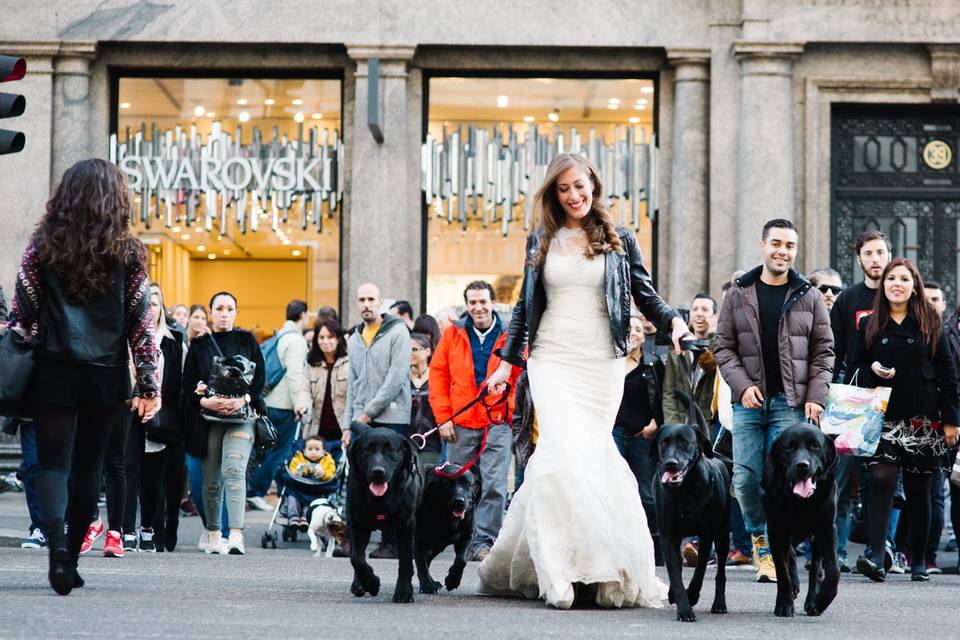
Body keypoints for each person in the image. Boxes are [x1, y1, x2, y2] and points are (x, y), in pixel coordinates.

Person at [479, 152, 691, 610]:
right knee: (558, 456)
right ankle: (559, 572)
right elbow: (523, 307)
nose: (574, 195)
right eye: (564, 188)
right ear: (553, 194)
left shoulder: (620, 240)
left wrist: (674, 322)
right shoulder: (541, 238)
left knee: (590, 457)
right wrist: (504, 364)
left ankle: (597, 566)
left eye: (581, 185)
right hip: (552, 358)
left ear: (594, 185)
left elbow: (645, 293)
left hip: (600, 362)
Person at [7, 158, 159, 594]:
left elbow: (23, 312)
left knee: (53, 464)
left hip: (54, 368)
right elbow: (140, 322)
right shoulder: (129, 251)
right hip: (106, 374)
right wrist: (148, 382)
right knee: (89, 468)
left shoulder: (42, 246)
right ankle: (70, 558)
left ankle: (55, 542)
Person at [714, 218, 834, 583]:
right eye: (777, 244)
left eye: (790, 246)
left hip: (790, 403)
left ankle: (781, 548)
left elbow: (824, 350)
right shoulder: (739, 293)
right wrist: (742, 385)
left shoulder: (808, 295)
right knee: (746, 479)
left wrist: (816, 395)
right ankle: (760, 539)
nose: (783, 251)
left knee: (783, 478)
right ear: (763, 246)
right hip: (748, 403)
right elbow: (723, 346)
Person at [846, 259, 959, 581]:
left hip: (923, 419)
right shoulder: (869, 323)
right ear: (883, 286)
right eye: (891, 278)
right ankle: (878, 556)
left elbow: (947, 372)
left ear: (914, 285)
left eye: (904, 278)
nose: (897, 283)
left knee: (919, 489)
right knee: (880, 478)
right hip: (883, 416)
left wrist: (952, 420)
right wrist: (873, 371)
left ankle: (919, 561)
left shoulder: (929, 322)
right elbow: (854, 366)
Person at [430, 281, 519, 562]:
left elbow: (519, 376)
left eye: (483, 302)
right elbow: (438, 375)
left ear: (492, 302)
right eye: (473, 302)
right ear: (466, 305)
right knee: (455, 484)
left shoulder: (509, 336)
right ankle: (457, 538)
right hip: (460, 423)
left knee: (494, 486)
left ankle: (484, 542)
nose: (478, 308)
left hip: (497, 422)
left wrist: (509, 410)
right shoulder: (452, 334)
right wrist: (443, 418)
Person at [182, 291, 265, 555]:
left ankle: (236, 536)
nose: (225, 313)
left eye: (230, 308)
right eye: (219, 308)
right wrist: (206, 402)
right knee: (211, 479)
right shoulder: (200, 345)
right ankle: (214, 533)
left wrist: (244, 400)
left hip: (241, 418)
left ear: (236, 313)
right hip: (210, 420)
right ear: (211, 311)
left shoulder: (247, 340)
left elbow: (261, 380)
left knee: (234, 471)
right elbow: (187, 386)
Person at [829, 231, 891, 573]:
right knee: (839, 478)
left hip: (890, 401)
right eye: (869, 253)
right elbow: (835, 351)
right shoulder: (848, 299)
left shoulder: (900, 294)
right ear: (859, 259)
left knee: (881, 480)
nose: (876, 259)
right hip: (851, 399)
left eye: (881, 252)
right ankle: (834, 550)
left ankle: (880, 551)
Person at [344, 282, 412, 558]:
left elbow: (395, 378)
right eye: (361, 299)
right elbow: (352, 384)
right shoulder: (354, 338)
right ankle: (354, 537)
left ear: (381, 302)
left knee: (393, 480)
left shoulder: (398, 332)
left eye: (371, 298)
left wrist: (367, 413)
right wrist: (349, 423)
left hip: (391, 416)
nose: (366, 304)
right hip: (361, 418)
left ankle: (391, 541)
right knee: (357, 480)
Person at [134, 284, 186, 553]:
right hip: (132, 414)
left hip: (164, 418)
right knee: (135, 476)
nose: (150, 308)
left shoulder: (173, 341)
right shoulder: (128, 338)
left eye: (155, 303)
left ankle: (158, 528)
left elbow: (181, 383)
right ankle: (135, 530)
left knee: (160, 479)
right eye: (146, 303)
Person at [611, 314, 664, 563]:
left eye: (638, 329)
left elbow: (663, 398)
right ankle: (618, 542)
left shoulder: (652, 364)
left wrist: (655, 424)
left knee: (646, 492)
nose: (633, 333)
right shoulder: (610, 363)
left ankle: (654, 544)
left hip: (642, 434)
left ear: (645, 336)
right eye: (628, 328)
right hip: (614, 433)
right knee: (615, 487)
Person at [248, 300, 310, 511]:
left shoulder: (279, 336)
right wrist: (300, 404)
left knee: (265, 451)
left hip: (269, 401)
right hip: (285, 406)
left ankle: (262, 492)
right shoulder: (296, 341)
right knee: (278, 453)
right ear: (303, 315)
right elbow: (295, 376)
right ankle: (256, 493)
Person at [919, 279, 948, 574]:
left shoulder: (946, 332)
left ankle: (928, 555)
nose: (931, 305)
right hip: (919, 421)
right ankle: (911, 553)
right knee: (920, 490)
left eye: (935, 299)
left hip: (946, 421)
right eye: (925, 299)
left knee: (936, 492)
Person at [295, 316, 349, 463]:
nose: (325, 341)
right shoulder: (311, 363)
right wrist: (301, 405)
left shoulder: (350, 362)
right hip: (317, 431)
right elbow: (304, 390)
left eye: (330, 337)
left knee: (340, 470)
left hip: (343, 428)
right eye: (321, 337)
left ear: (338, 338)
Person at [663, 293, 718, 425]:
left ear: (714, 317)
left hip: (709, 423)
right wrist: (673, 425)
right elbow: (669, 391)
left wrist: (712, 334)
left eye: (705, 310)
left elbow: (715, 368)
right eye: (695, 309)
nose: (699, 314)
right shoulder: (677, 347)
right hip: (682, 422)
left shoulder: (722, 346)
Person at [281, 435, 337, 529]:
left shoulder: (328, 461)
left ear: (323, 451)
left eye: (317, 449)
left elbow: (331, 472)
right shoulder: (298, 459)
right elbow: (292, 469)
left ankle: (306, 518)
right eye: (310, 449)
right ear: (304, 451)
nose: (313, 452)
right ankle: (293, 517)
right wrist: (298, 472)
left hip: (317, 489)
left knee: (312, 503)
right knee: (292, 498)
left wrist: (323, 474)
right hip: (298, 487)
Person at [410, 332, 441, 470]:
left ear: (428, 351)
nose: (410, 353)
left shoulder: (436, 377)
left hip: (431, 443)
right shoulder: (401, 377)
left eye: (415, 349)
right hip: (406, 442)